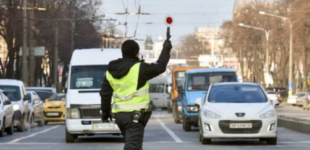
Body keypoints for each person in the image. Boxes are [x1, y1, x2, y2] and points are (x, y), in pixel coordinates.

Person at [100, 38, 172, 150]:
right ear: (137, 53)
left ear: (122, 52)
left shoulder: (110, 71)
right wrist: (166, 49)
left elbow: (105, 94)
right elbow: (160, 66)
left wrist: (105, 112)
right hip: (135, 116)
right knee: (133, 146)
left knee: (134, 144)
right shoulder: (140, 68)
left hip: (120, 116)